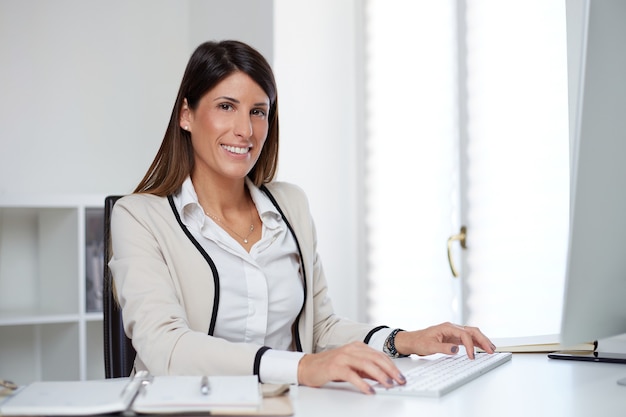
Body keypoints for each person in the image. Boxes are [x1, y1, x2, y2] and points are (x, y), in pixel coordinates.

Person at [109, 39, 497, 395]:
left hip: (284, 404)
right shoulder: (139, 217)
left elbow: (320, 328)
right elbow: (166, 347)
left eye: (258, 112)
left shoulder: (289, 206)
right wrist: (302, 366)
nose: (245, 130)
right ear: (186, 115)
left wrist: (403, 339)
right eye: (226, 106)